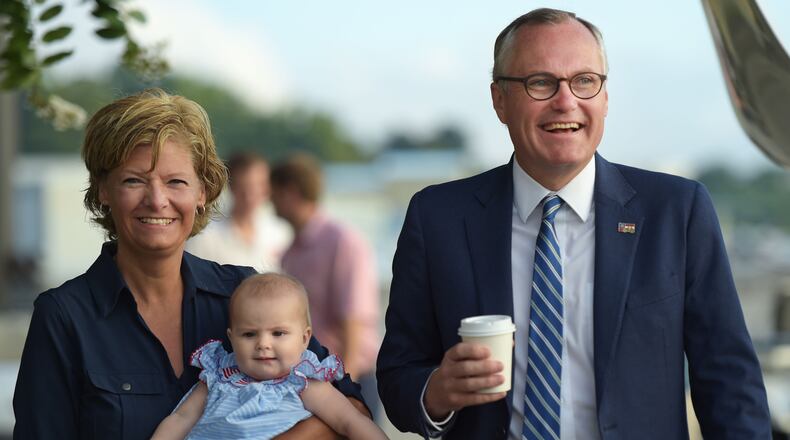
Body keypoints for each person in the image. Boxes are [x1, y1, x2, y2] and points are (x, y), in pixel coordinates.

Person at [377, 8, 771, 440]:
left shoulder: (677, 212)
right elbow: (397, 377)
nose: (566, 101)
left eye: (584, 81)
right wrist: (436, 392)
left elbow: (730, 383)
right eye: (540, 82)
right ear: (499, 100)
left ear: (604, 97)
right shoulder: (438, 219)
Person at [12, 88, 368, 439]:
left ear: (202, 192)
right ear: (103, 189)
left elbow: (353, 407)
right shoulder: (64, 318)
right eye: (134, 180)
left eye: (176, 182)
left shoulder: (244, 293)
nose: (156, 200)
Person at [151, 273, 387, 439]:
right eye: (249, 334)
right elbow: (180, 419)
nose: (263, 344)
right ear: (231, 338)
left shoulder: (303, 382)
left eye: (278, 333)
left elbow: (350, 422)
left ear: (305, 339)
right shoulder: (219, 376)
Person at [269, 153, 381, 417]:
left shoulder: (342, 242)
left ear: (290, 192)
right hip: (311, 380)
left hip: (348, 378)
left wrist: (346, 390)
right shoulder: (290, 253)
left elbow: (353, 318)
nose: (268, 199)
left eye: (272, 192)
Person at [186, 151, 291, 272]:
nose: (251, 195)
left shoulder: (281, 233)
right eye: (245, 186)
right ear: (231, 186)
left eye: (259, 185)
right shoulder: (205, 237)